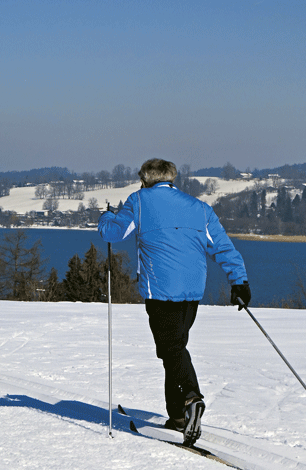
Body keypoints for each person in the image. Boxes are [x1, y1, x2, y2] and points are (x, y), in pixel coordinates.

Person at [98, 158, 251, 446]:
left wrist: (106, 216)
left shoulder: (140, 201)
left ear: (145, 179)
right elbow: (222, 246)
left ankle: (192, 398)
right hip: (192, 291)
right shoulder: (198, 208)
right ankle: (177, 416)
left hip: (160, 290)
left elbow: (114, 232)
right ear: (172, 178)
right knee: (175, 349)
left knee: (171, 349)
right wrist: (239, 282)